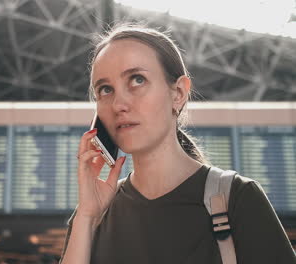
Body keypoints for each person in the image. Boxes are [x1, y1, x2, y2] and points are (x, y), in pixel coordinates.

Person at [59, 23, 295, 264]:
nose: (119, 104)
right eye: (106, 89)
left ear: (178, 93)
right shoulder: (94, 215)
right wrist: (86, 217)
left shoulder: (237, 198)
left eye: (137, 80)